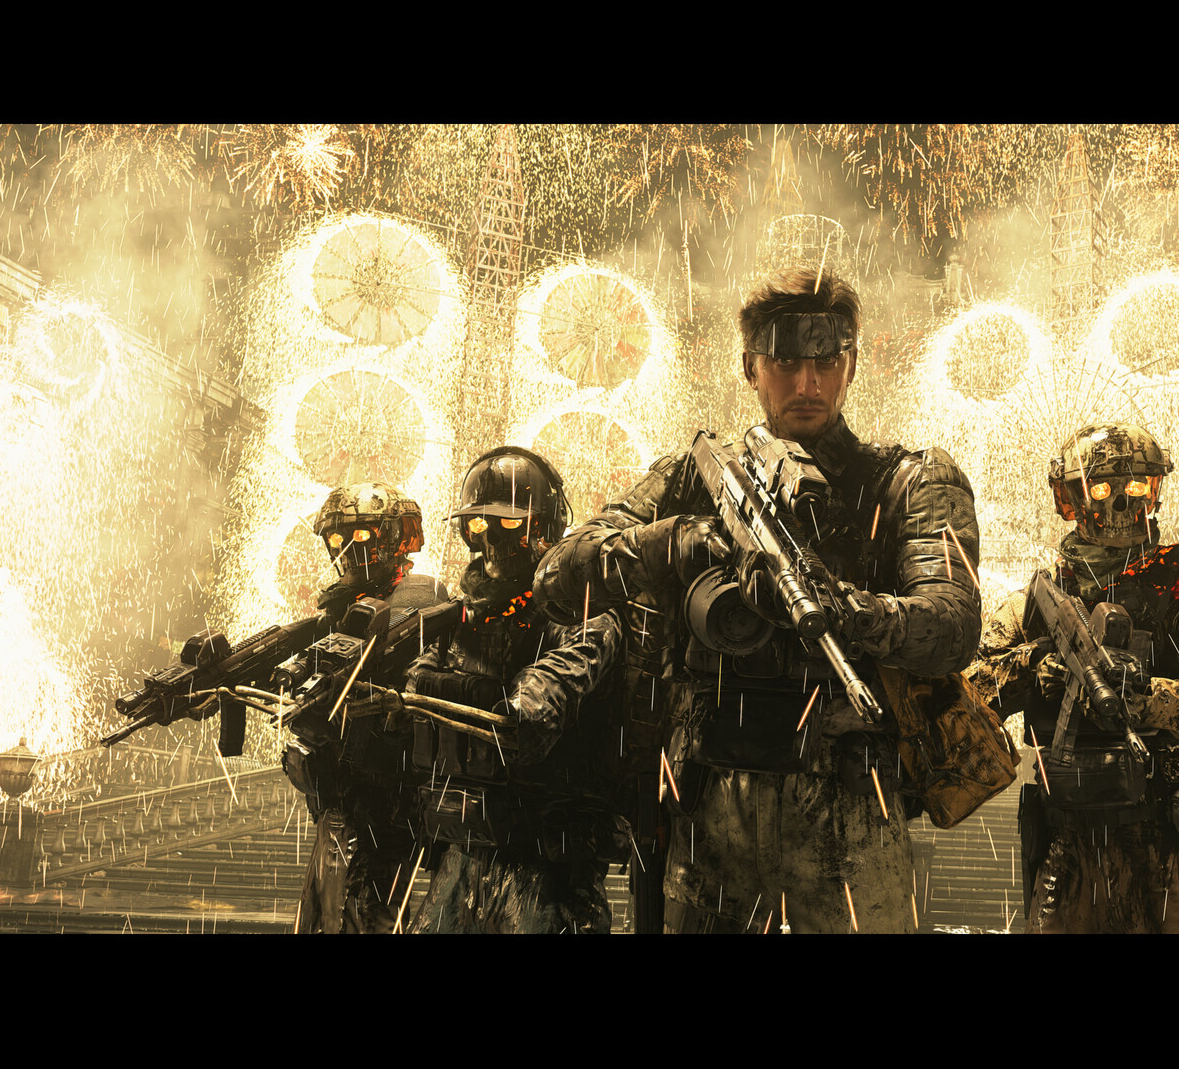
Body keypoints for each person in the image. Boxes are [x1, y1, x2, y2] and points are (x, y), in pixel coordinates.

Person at [534, 265, 983, 933]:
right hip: (714, 806)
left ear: (852, 364)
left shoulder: (905, 482)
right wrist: (669, 542)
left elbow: (953, 626)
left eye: (825, 362)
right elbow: (557, 581)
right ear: (750, 367)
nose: (806, 385)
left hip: (852, 808)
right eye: (785, 362)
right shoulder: (697, 479)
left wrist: (847, 609)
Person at [964, 422, 1179, 934]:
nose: (1123, 502)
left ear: (1156, 490)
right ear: (1069, 498)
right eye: (1102, 488)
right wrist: (1032, 667)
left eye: (1138, 486)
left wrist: (1145, 697)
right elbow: (967, 694)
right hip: (1073, 842)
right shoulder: (1039, 602)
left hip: (1178, 841)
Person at [380, 446, 629, 933]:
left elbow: (563, 674)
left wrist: (524, 703)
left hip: (550, 861)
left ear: (543, 527)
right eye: (478, 524)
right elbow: (420, 678)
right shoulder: (462, 615)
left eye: (509, 523)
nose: (491, 538)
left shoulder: (581, 609)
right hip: (467, 849)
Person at [284, 482, 448, 934]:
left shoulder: (418, 599)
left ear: (392, 538)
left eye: (361, 536)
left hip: (387, 803)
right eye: (338, 538)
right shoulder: (342, 607)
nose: (348, 549)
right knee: (324, 917)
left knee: (370, 918)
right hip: (342, 800)